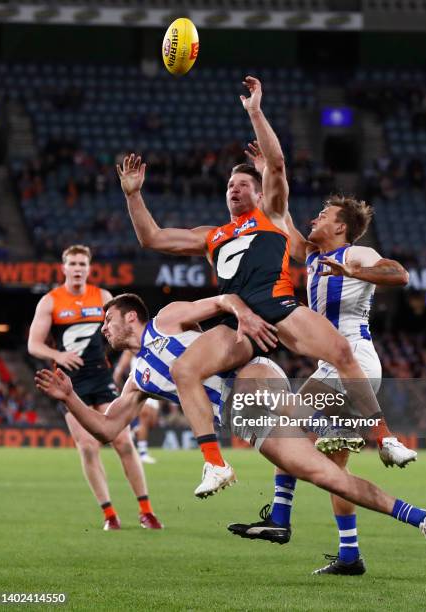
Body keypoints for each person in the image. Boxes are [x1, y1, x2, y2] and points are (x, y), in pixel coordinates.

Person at [117, 76, 410, 496]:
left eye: (242, 184)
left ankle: (385, 439)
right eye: (229, 186)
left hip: (279, 307)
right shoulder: (212, 235)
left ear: (259, 192)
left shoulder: (271, 216)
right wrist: (133, 196)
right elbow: (153, 238)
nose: (234, 189)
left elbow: (276, 165)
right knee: (186, 370)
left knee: (342, 352)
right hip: (239, 321)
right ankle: (215, 465)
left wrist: (255, 111)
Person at [35, 292, 426, 558]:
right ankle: (422, 517)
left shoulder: (167, 318)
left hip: (249, 374)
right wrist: (71, 397)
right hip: (245, 421)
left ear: (130, 317)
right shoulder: (135, 380)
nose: (102, 329)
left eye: (107, 320)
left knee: (249, 390)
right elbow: (108, 431)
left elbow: (223, 300)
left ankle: (338, 425)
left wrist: (244, 317)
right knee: (331, 479)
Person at [227, 141, 416, 575]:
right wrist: (268, 171)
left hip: (355, 362)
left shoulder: (355, 253)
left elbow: (399, 274)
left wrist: (355, 271)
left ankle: (281, 516)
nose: (315, 219)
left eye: (324, 216)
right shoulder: (312, 255)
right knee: (334, 470)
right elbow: (279, 216)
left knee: (284, 426)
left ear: (341, 227)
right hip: (329, 365)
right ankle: (349, 555)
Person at [27, 244, 161, 531]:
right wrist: (58, 356)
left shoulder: (102, 297)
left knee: (123, 441)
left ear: (89, 268)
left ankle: (146, 511)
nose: (77, 269)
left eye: (82, 264)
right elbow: (33, 344)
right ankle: (110, 514)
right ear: (64, 268)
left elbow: (120, 334)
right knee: (88, 447)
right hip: (69, 383)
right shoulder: (50, 301)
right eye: (72, 264)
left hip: (101, 378)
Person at [113, 350, 159, 464]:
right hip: (141, 384)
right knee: (145, 416)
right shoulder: (133, 348)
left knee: (152, 422)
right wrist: (117, 378)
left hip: (156, 385)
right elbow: (123, 363)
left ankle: (133, 431)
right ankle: (143, 453)